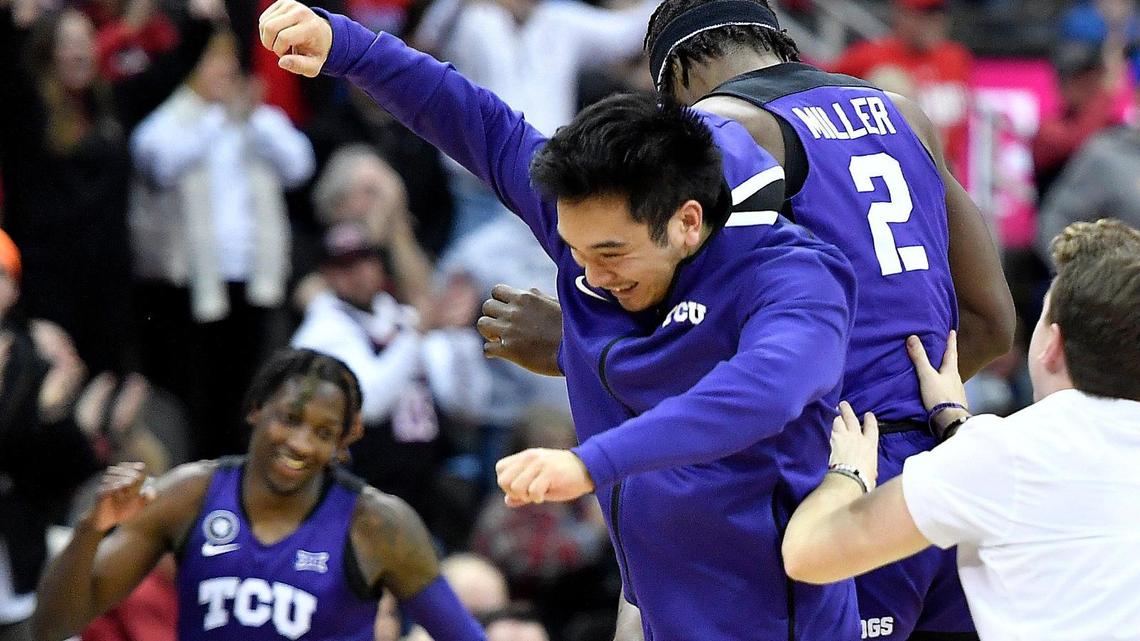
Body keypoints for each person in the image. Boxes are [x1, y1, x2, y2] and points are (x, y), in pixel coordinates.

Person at [257, 4, 862, 640]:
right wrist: (346, 45)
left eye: (610, 255)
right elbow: (476, 120)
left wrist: (588, 463)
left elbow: (760, 393)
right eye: (573, 251)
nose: (591, 277)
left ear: (688, 222)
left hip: (772, 620)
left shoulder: (796, 277)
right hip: (653, 608)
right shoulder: (597, 221)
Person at [483, 0, 1014, 638]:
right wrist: (906, 411)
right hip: (945, 468)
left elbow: (713, 364)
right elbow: (992, 321)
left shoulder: (720, 130)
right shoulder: (903, 113)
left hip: (835, 485)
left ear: (672, 86)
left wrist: (572, 347)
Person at [782, 218, 1140, 641]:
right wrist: (956, 423)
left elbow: (807, 555)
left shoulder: (1003, 456)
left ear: (1052, 345)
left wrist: (848, 474)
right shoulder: (1000, 456)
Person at [33, 348, 487, 641]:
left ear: (342, 444)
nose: (300, 444)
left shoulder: (379, 525)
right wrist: (92, 530)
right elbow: (53, 626)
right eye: (289, 418)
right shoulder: (190, 495)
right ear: (256, 409)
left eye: (323, 432)